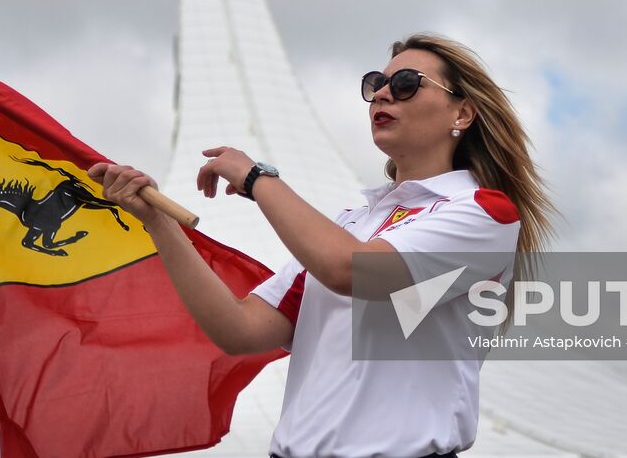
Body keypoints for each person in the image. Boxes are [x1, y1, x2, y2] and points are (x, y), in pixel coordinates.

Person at [87, 33, 556, 458]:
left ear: (462, 113)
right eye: (376, 83)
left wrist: (257, 179)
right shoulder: (351, 221)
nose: (383, 94)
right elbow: (239, 329)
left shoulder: (483, 213)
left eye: (408, 83)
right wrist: (157, 223)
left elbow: (350, 271)